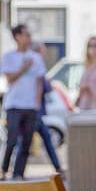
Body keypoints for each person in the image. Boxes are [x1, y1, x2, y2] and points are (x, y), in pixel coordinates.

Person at [0, 24, 44, 180]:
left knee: (26, 141)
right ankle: (4, 170)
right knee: (11, 139)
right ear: (17, 37)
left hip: (30, 106)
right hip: (14, 104)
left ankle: (19, 173)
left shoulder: (36, 58)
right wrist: (24, 67)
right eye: (26, 34)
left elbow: (39, 82)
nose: (29, 38)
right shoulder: (9, 57)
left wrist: (37, 103)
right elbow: (10, 78)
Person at [31, 42, 64, 176]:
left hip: (34, 110)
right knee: (27, 140)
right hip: (34, 110)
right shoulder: (36, 65)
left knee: (44, 137)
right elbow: (46, 87)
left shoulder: (33, 65)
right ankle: (14, 170)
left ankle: (58, 167)